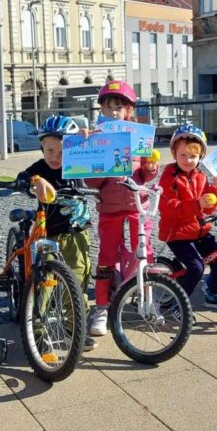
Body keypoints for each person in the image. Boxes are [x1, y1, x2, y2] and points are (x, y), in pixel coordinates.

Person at [84, 81, 159, 337]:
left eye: (119, 107)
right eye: (108, 107)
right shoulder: (96, 139)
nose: (114, 112)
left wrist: (150, 170)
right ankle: (102, 308)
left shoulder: (138, 137)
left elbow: (147, 172)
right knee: (106, 258)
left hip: (138, 206)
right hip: (110, 208)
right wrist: (100, 167)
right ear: (101, 111)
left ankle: (147, 299)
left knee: (144, 254)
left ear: (128, 111)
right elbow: (90, 182)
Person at [15, 115, 96, 350]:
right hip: (47, 234)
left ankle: (74, 325)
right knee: (44, 282)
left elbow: (104, 160)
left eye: (61, 152)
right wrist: (35, 181)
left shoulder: (78, 164)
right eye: (49, 150)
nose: (55, 157)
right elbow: (23, 178)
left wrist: (85, 142)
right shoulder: (40, 168)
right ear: (42, 147)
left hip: (77, 233)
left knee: (78, 279)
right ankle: (37, 331)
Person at [157, 124, 217, 305]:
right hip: (177, 233)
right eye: (183, 155)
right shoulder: (169, 178)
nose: (188, 160)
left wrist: (216, 190)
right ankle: (179, 305)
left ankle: (212, 292)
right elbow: (170, 207)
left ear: (200, 157)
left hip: (199, 230)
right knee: (196, 267)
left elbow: (208, 209)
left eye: (193, 156)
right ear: (174, 154)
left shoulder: (201, 177)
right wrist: (197, 204)